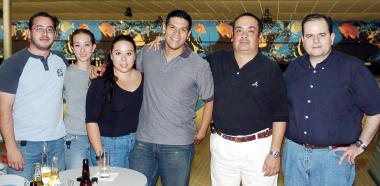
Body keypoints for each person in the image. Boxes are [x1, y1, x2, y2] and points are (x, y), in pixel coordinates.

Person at [283, 13, 380, 185]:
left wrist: (360, 145)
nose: (316, 41)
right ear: (303, 40)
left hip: (333, 160)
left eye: (322, 35)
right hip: (293, 155)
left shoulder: (352, 67)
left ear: (332, 37)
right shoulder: (294, 68)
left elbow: (375, 111)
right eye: (310, 36)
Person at [128, 10, 214, 186]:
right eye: (172, 28)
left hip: (178, 145)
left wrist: (203, 129)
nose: (176, 34)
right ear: (164, 29)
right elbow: (126, 71)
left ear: (188, 34)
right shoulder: (148, 51)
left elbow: (209, 99)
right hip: (144, 141)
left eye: (183, 30)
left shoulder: (200, 65)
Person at [207, 13, 288, 186]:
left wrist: (275, 153)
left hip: (259, 148)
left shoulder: (271, 69)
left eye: (250, 31)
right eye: (239, 30)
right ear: (232, 36)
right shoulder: (215, 61)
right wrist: (161, 44)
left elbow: (280, 115)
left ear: (259, 37)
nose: (244, 35)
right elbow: (187, 62)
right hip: (222, 146)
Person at [0, 12, 67, 180]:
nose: (45, 34)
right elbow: (4, 109)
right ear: (29, 33)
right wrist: (11, 147)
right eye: (39, 28)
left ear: (55, 34)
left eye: (49, 29)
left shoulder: (61, 60)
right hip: (25, 146)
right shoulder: (13, 64)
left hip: (57, 143)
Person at [86, 34, 143, 168]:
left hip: (140, 145)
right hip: (110, 146)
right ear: (111, 56)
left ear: (135, 55)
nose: (123, 59)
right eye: (118, 53)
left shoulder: (145, 79)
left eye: (128, 53)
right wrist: (101, 155)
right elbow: (91, 122)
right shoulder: (100, 82)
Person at [63, 29, 96, 169]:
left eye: (86, 45)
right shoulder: (65, 74)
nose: (82, 50)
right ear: (72, 48)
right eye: (77, 45)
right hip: (74, 137)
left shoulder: (102, 74)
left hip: (99, 137)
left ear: (93, 47)